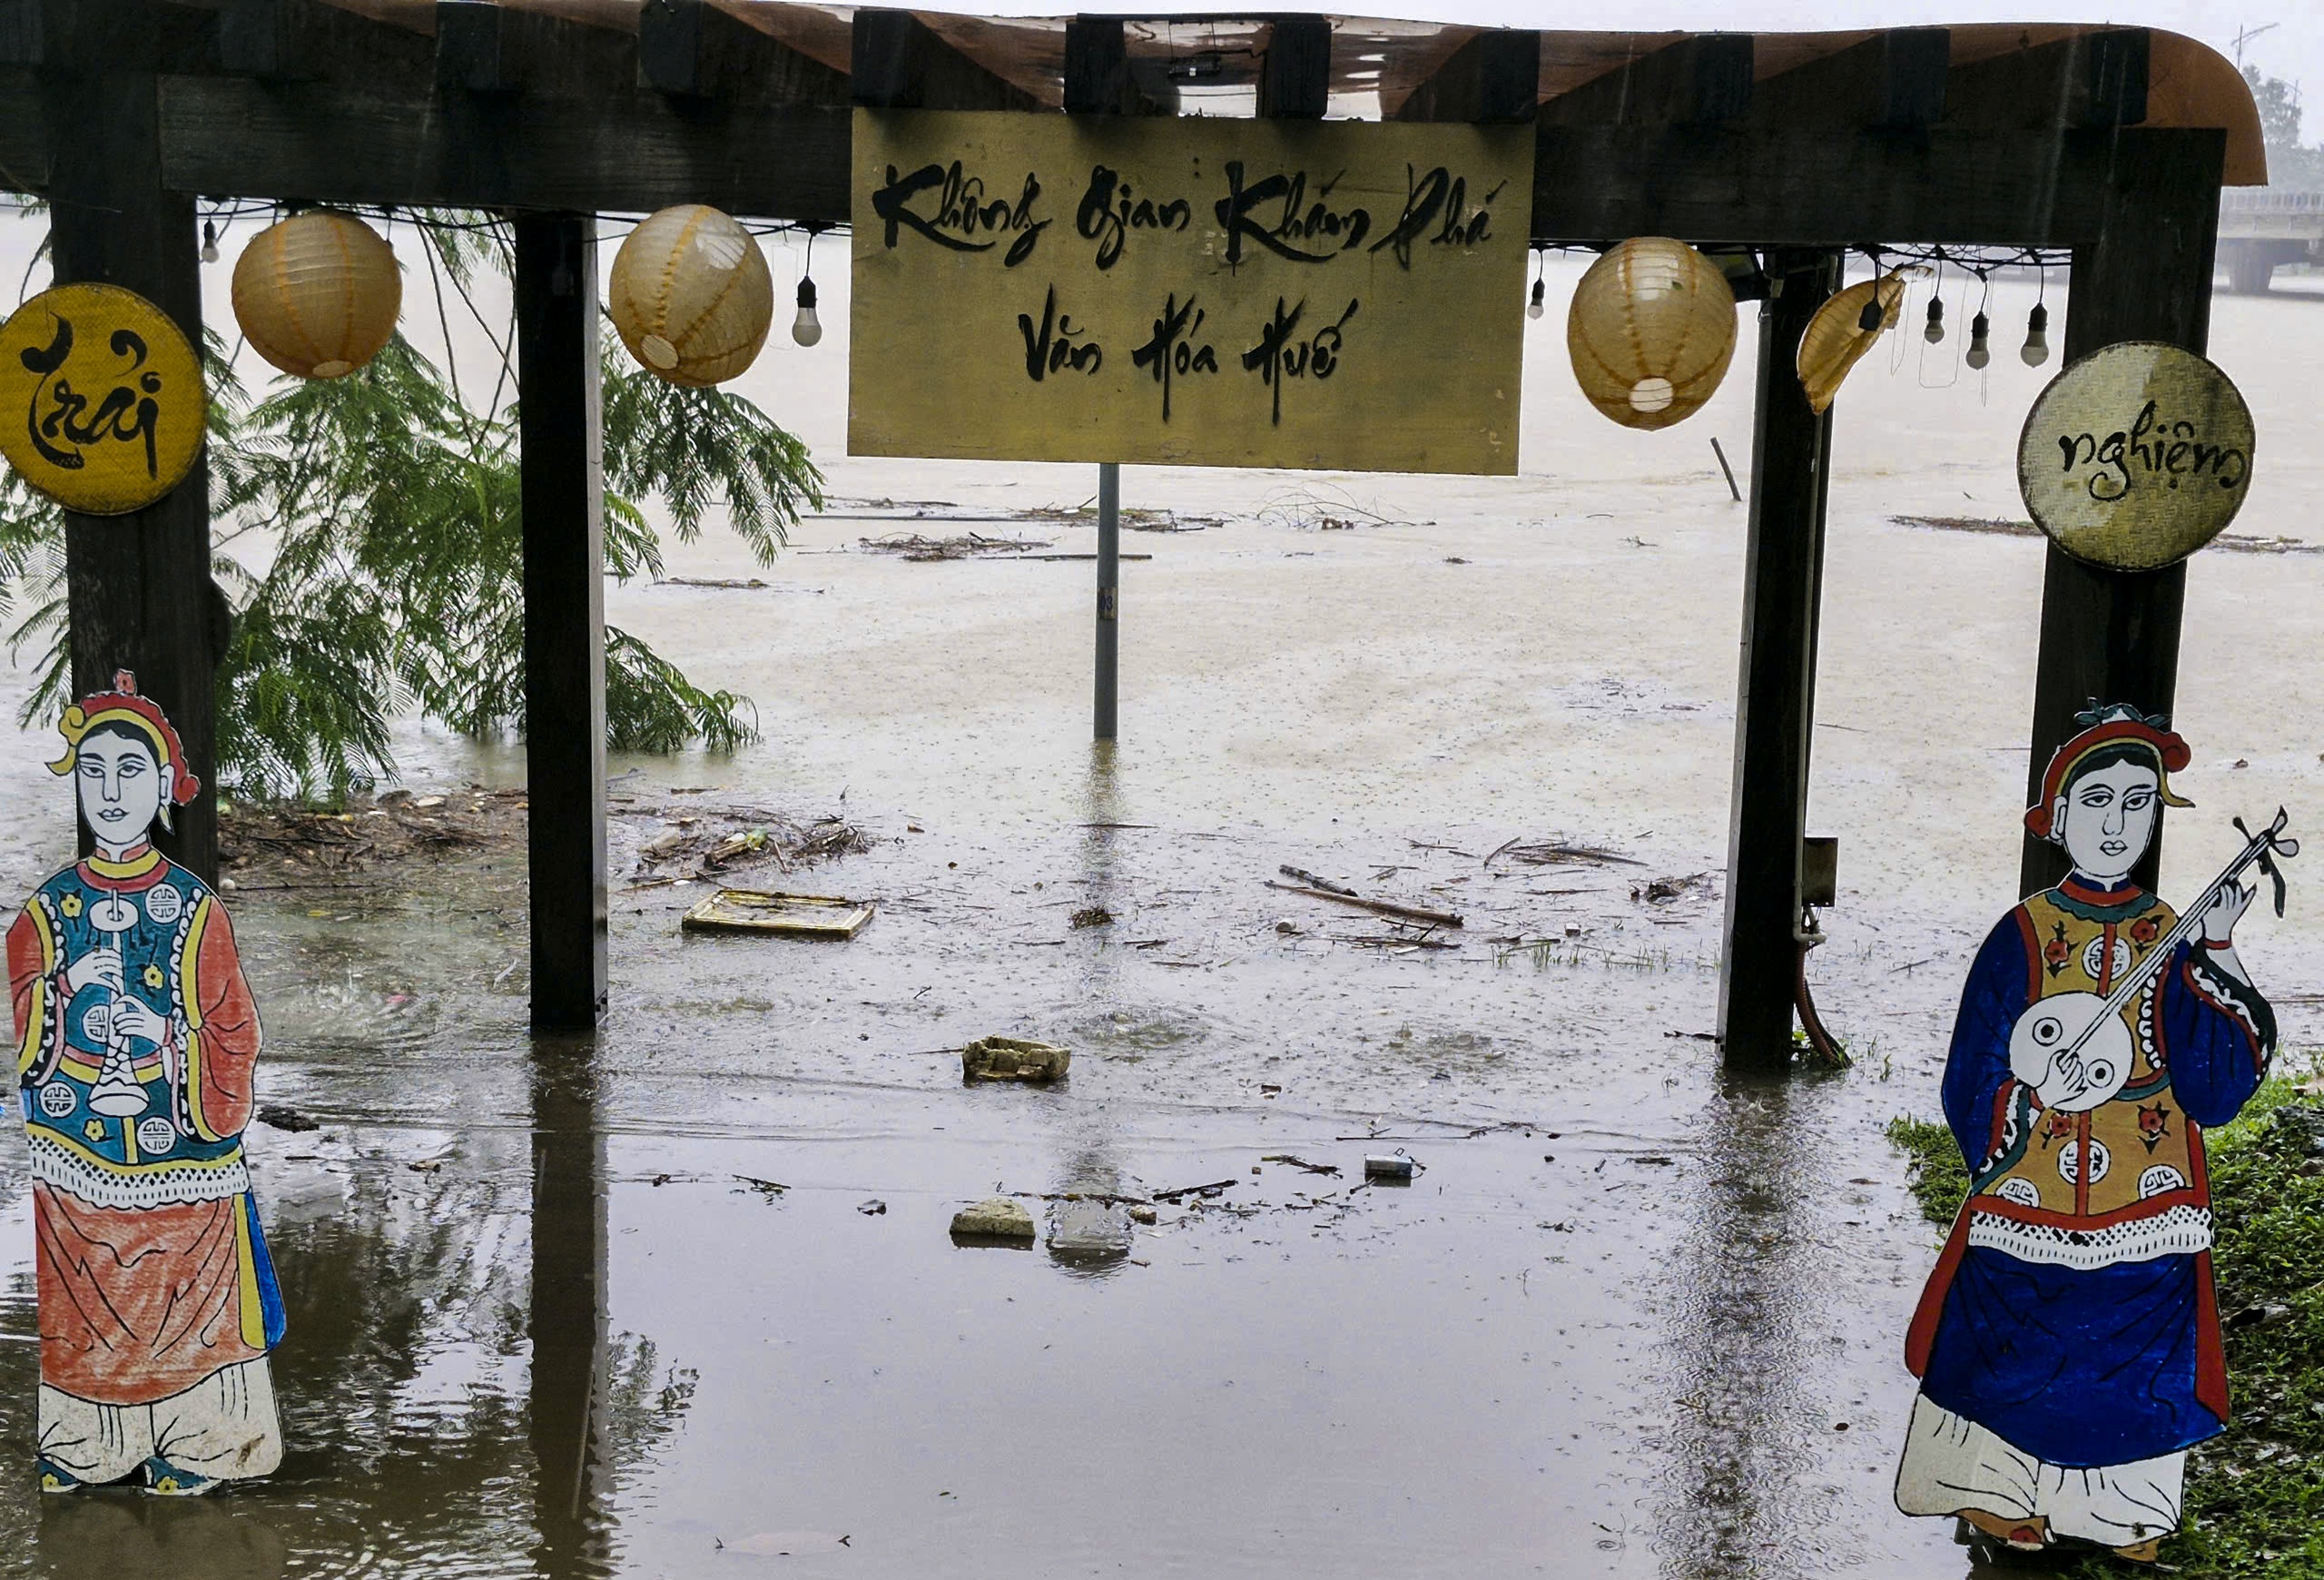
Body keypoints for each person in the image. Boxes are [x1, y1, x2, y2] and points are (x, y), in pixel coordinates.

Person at [1894, 703, 2277, 1563]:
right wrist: (2023, 1093)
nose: (2116, 822)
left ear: (2156, 817)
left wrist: (2214, 947)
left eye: (2138, 802)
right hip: (2030, 1189)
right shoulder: (2022, 932)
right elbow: (1972, 1073)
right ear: (2058, 817)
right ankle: (1995, 1497)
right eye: (2096, 800)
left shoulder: (2171, 933)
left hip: (2144, 1192)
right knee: (2009, 1337)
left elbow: (2215, 1089)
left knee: (2134, 1350)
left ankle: (2118, 1513)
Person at [9, 672, 284, 1495]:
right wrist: (61, 993)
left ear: (165, 786)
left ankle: (203, 1445)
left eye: (131, 771)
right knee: (85, 1299)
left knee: (186, 1301)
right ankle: (86, 1446)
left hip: (179, 1145)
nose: (112, 791)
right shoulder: (45, 913)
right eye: (95, 771)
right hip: (79, 1144)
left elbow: (236, 1030)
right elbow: (24, 1032)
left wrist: (169, 1037)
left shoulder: (198, 911)